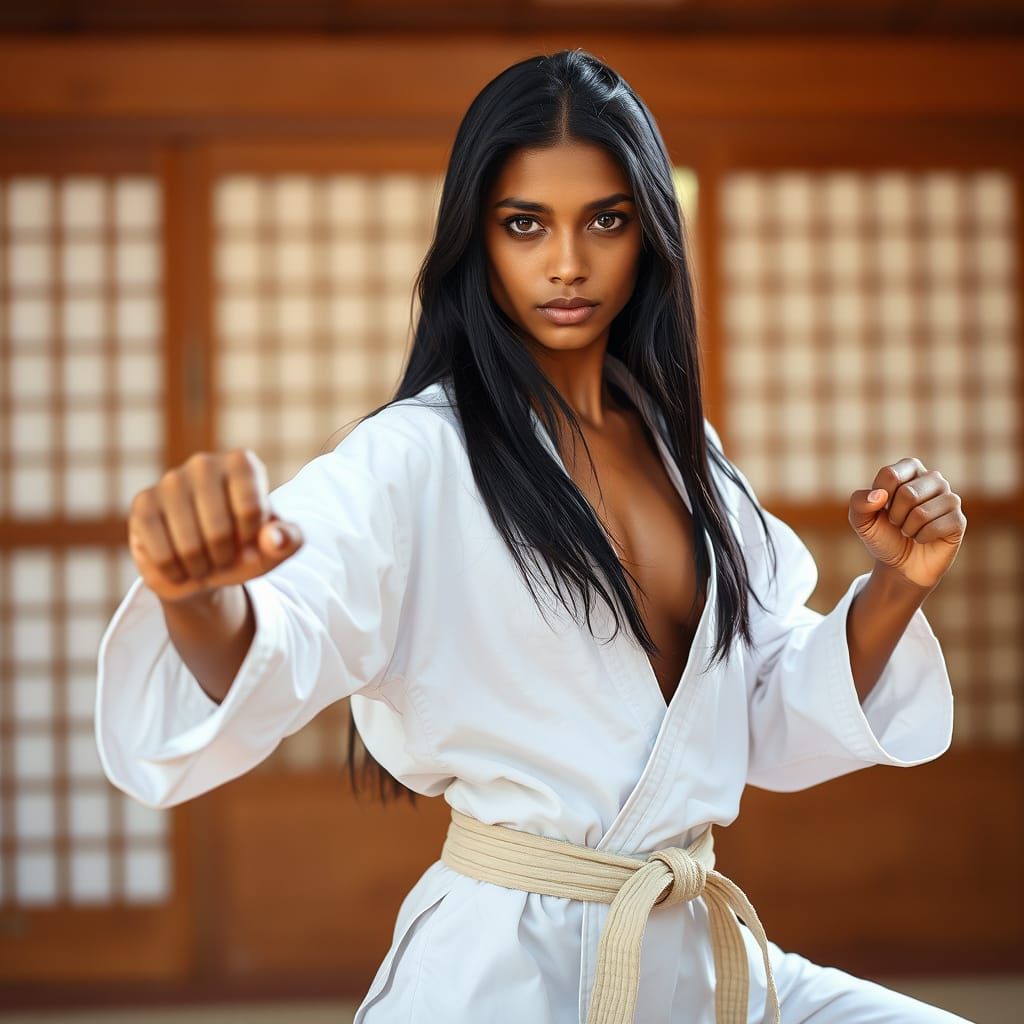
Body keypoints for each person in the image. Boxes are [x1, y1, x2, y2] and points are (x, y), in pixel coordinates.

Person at [95, 49, 971, 1024]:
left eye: (605, 219)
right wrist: (193, 591)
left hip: (694, 950)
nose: (567, 261)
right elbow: (281, 631)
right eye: (526, 224)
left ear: (647, 232)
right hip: (508, 973)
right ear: (478, 238)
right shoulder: (413, 457)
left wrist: (897, 583)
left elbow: (760, 706)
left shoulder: (689, 455)